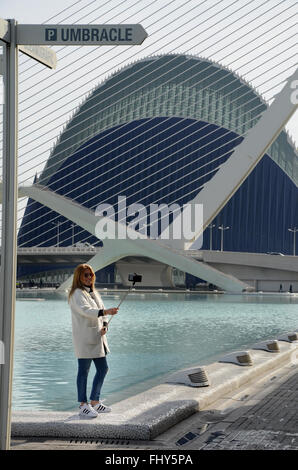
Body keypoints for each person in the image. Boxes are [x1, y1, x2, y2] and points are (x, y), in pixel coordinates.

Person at [68, 263, 118, 418]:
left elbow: (101, 313)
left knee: (103, 369)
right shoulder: (76, 293)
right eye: (86, 275)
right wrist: (105, 311)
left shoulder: (94, 293)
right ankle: (83, 404)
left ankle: (95, 401)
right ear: (79, 277)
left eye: (91, 275)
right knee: (84, 371)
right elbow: (86, 311)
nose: (89, 278)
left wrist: (105, 325)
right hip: (84, 338)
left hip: (97, 337)